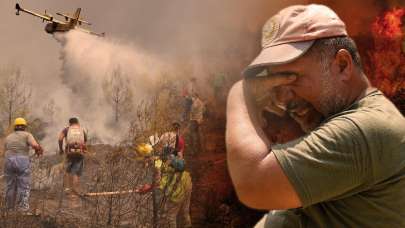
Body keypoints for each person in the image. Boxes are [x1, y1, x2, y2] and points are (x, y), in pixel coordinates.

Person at [226, 4, 405, 228]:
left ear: (342, 65)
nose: (282, 96)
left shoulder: (364, 130)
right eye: (276, 82)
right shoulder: (356, 118)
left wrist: (240, 93)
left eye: (292, 78)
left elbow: (253, 183)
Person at [136, 157, 192, 228]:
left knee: (170, 217)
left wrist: (148, 188)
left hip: (177, 195)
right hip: (187, 185)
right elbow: (166, 167)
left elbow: (158, 183)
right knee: (185, 212)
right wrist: (156, 162)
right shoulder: (183, 173)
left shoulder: (171, 177)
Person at [4, 118, 43, 213]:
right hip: (22, 161)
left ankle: (9, 209)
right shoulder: (27, 135)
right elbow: (35, 145)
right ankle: (23, 209)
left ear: (15, 127)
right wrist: (39, 150)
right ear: (24, 127)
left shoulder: (8, 137)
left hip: (8, 161)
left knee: (10, 185)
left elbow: (4, 151)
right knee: (24, 185)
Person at [58, 117, 87, 195]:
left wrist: (61, 149)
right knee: (76, 172)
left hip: (69, 153)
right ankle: (75, 190)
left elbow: (60, 139)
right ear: (77, 123)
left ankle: (68, 189)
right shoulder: (82, 130)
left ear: (70, 123)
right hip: (80, 153)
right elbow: (85, 141)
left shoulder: (67, 129)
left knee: (68, 170)